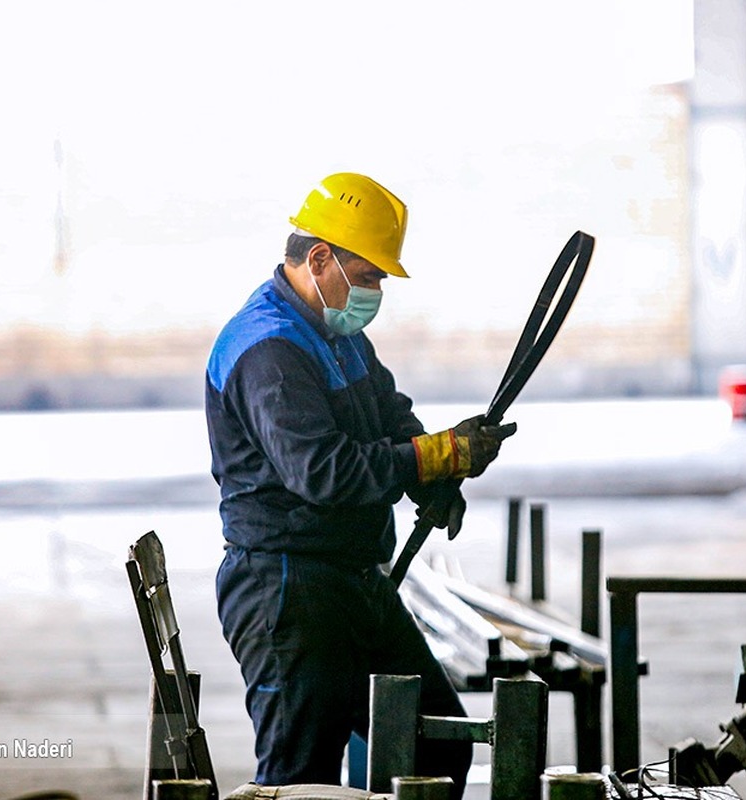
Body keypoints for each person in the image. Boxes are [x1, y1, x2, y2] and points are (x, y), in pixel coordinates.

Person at [205, 172, 516, 797]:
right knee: (300, 783)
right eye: (369, 276)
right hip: (288, 591)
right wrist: (434, 456)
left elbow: (390, 416)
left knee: (437, 744)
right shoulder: (267, 349)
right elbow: (325, 472)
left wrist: (434, 476)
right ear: (319, 259)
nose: (374, 292)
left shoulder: (338, 335)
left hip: (350, 582)